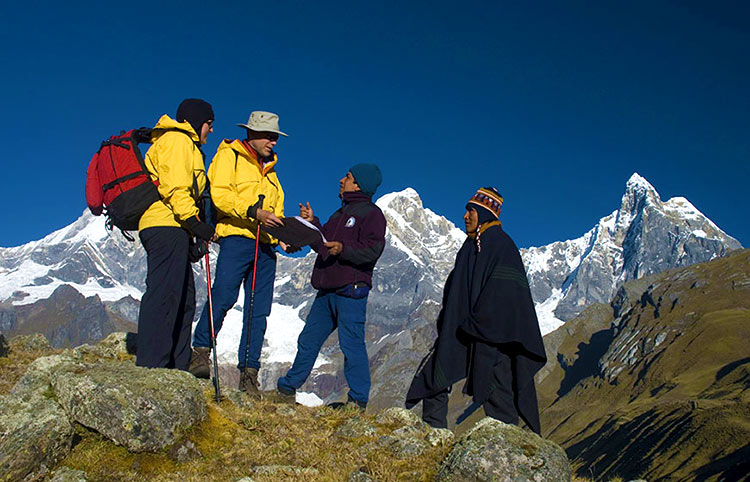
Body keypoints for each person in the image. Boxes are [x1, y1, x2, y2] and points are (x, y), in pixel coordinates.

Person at [405, 187, 547, 433]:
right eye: (466, 211)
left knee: (496, 387)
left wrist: (479, 323)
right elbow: (456, 290)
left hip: (491, 334)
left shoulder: (502, 246)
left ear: (484, 213)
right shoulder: (470, 247)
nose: (465, 216)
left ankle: (506, 444)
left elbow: (507, 294)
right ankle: (435, 434)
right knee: (435, 375)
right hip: (462, 329)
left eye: (471, 211)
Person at [189, 111, 292, 398]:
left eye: (275, 137)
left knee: (258, 310)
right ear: (253, 134)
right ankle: (200, 353)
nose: (273, 142)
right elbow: (220, 195)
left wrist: (284, 238)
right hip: (237, 237)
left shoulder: (271, 173)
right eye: (269, 136)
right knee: (223, 294)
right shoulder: (228, 156)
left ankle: (249, 375)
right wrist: (253, 212)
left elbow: (278, 213)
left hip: (266, 247)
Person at [275, 164, 386, 410]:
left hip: (351, 290)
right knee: (309, 339)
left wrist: (344, 250)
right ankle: (287, 388)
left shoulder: (372, 214)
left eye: (347, 177)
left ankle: (358, 401)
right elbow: (324, 243)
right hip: (326, 291)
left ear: (359, 184)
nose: (341, 180)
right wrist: (312, 223)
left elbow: (373, 249)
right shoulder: (338, 215)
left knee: (351, 344)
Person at [136, 98, 216, 370]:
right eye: (209, 124)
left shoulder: (184, 144)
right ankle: (153, 366)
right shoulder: (177, 141)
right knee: (165, 296)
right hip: (165, 225)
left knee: (183, 300)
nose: (211, 130)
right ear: (197, 121)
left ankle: (175, 367)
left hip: (174, 227)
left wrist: (192, 233)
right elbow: (176, 190)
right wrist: (196, 224)